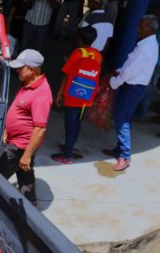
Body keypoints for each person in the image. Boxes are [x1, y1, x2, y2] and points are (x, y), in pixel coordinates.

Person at [104, 15, 159, 171]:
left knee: (122, 121)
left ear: (151, 29)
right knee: (123, 118)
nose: (138, 30)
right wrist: (119, 72)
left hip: (132, 87)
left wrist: (114, 82)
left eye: (141, 27)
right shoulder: (147, 43)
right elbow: (130, 66)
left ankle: (125, 156)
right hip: (133, 86)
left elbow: (130, 71)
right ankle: (119, 148)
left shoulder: (146, 47)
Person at [0, 49, 53, 206]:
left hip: (20, 146)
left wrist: (26, 155)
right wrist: (6, 129)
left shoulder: (41, 94)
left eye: (21, 68)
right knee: (24, 171)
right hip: (15, 140)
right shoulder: (28, 83)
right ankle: (30, 202)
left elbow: (40, 129)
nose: (17, 71)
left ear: (32, 69)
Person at [52, 26, 101, 164]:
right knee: (77, 123)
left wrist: (60, 93)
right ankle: (69, 146)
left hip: (73, 96)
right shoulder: (98, 54)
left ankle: (67, 156)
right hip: (86, 97)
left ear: (79, 39)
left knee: (70, 124)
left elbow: (66, 75)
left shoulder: (78, 53)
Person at [134, 2, 160, 120]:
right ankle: (141, 111)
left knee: (148, 87)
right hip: (159, 59)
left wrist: (147, 57)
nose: (156, 16)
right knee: (149, 85)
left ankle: (141, 112)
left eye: (157, 14)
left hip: (158, 61)